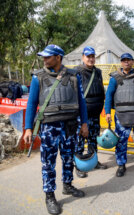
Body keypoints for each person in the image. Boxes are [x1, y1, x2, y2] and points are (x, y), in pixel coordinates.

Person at [23, 44, 88, 215]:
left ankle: (67, 185)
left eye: (48, 57)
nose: (44, 60)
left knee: (68, 159)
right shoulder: (38, 77)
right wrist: (28, 128)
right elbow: (31, 103)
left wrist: (84, 123)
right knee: (48, 163)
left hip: (70, 126)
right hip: (49, 127)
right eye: (43, 57)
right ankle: (49, 195)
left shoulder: (74, 76)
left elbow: (81, 101)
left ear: (58, 57)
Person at [104, 53, 134, 177]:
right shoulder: (114, 77)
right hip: (121, 115)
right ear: (121, 62)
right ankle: (121, 165)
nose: (126, 62)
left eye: (129, 60)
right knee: (121, 141)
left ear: (133, 62)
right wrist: (107, 112)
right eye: (124, 60)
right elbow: (109, 96)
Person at [74, 46, 107, 178]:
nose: (91, 59)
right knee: (80, 140)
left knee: (93, 138)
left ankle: (94, 161)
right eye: (88, 56)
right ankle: (79, 166)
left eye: (93, 56)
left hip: (95, 113)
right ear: (83, 57)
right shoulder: (76, 71)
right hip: (82, 115)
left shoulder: (98, 72)